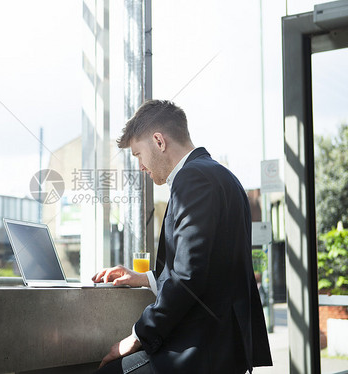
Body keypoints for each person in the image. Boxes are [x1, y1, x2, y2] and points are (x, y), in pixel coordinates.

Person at [92, 100, 272, 373]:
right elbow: (208, 264)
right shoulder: (225, 176)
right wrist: (144, 278)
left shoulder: (192, 179)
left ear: (159, 141)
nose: (141, 166)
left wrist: (138, 335)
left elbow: (189, 276)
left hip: (200, 349)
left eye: (138, 154)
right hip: (227, 347)